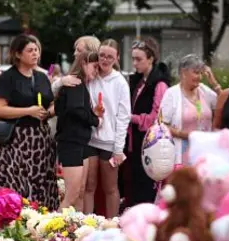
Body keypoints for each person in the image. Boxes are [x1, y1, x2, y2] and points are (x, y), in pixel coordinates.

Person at [0, 34, 58, 210]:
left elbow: (51, 103)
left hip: (41, 140)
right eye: (30, 50)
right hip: (17, 139)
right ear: (18, 54)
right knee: (18, 182)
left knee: (43, 181)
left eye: (36, 50)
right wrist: (28, 111)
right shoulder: (8, 78)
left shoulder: (42, 77)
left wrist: (49, 112)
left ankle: (44, 222)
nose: (35, 53)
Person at [83, 39, 131, 218]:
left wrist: (118, 148)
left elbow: (123, 117)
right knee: (89, 186)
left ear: (117, 58)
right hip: (89, 138)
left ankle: (112, 224)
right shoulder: (90, 77)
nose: (105, 59)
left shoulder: (120, 82)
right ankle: (85, 224)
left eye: (110, 56)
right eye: (102, 55)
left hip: (110, 142)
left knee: (110, 187)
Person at [121, 37, 170, 206]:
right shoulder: (138, 81)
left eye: (139, 59)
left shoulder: (159, 84)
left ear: (151, 59)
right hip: (134, 141)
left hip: (149, 144)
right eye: (133, 59)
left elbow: (155, 118)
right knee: (133, 186)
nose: (134, 63)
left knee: (145, 188)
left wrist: (130, 117)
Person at [55, 51, 103, 210]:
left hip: (79, 142)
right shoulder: (76, 84)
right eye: (94, 66)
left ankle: (78, 227)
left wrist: (93, 115)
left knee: (79, 192)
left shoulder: (79, 84)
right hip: (71, 143)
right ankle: (55, 230)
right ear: (83, 63)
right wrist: (96, 120)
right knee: (72, 195)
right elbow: (76, 110)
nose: (96, 71)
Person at [159, 54, 220, 167]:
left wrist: (214, 83)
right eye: (196, 73)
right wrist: (184, 135)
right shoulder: (171, 94)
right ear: (183, 72)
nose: (200, 77)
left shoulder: (203, 90)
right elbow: (161, 125)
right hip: (181, 158)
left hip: (205, 158)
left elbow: (224, 104)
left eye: (201, 73)